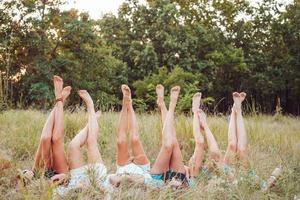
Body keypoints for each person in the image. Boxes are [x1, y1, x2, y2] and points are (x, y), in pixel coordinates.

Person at [55, 90, 109, 196]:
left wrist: (67, 181)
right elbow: (104, 193)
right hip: (95, 180)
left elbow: (56, 193)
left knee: (72, 146)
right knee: (91, 142)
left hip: (76, 180)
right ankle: (90, 107)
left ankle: (92, 120)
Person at [19, 75, 71, 184]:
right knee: (56, 138)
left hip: (44, 168)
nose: (25, 172)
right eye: (24, 175)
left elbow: (45, 138)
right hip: (59, 172)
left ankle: (59, 99)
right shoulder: (35, 184)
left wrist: (44, 166)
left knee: (45, 138)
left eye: (23, 172)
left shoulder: (35, 169)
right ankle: (60, 100)